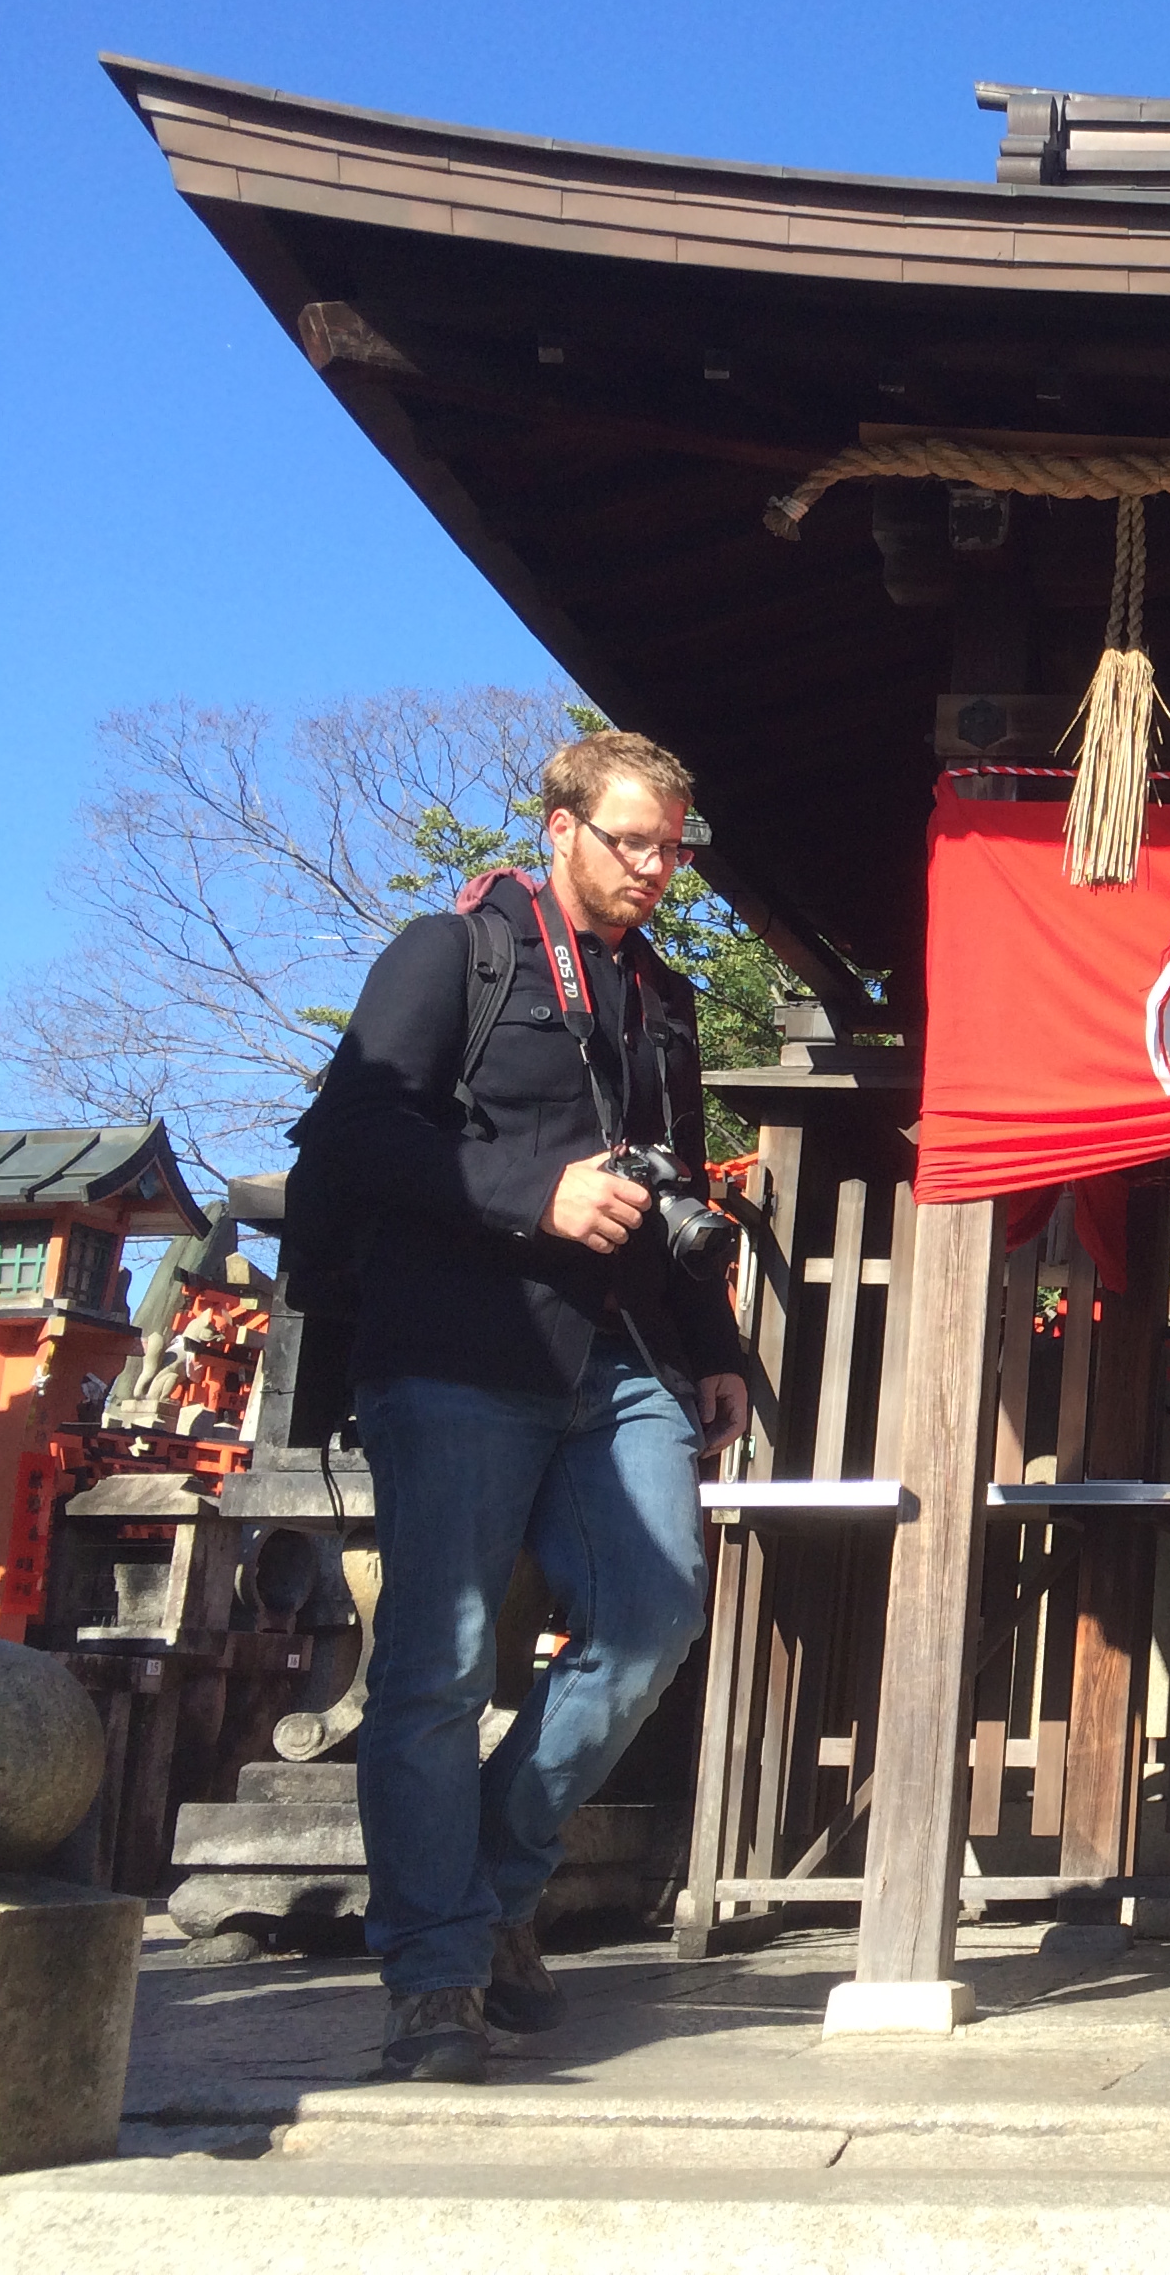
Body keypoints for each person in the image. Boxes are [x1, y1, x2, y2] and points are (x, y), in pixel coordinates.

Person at [304, 730, 747, 2081]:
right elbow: (353, 1131)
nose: (657, 868)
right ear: (559, 826)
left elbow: (673, 1188)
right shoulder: (452, 955)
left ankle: (493, 1884)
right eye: (634, 841)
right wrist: (532, 1194)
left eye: (674, 847)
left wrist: (716, 1345)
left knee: (655, 1615)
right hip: (458, 1346)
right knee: (436, 1667)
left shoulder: (661, 997)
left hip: (621, 1354)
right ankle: (436, 1972)